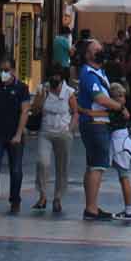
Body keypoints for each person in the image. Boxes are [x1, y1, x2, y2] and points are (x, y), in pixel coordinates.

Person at [76, 41, 119, 221]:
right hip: (95, 124)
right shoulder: (88, 73)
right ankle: (91, 209)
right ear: (87, 55)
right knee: (98, 166)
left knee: (92, 165)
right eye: (96, 50)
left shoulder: (98, 72)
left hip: (97, 122)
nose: (101, 52)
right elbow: (100, 98)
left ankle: (91, 206)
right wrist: (119, 106)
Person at [0, 55, 29, 214]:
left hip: (15, 135)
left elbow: (24, 112)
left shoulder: (22, 88)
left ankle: (15, 199)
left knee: (16, 170)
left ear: (13, 71)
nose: (4, 73)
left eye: (7, 70)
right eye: (1, 71)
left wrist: (18, 134)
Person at [31, 64, 78, 214]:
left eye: (57, 76)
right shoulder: (43, 89)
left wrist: (70, 129)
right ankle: (42, 195)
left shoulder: (69, 92)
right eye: (52, 76)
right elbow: (35, 109)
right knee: (42, 162)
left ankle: (58, 197)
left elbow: (75, 112)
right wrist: (42, 95)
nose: (54, 79)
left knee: (62, 166)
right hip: (45, 131)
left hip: (63, 132)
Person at [105, 82, 131, 219]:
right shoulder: (123, 110)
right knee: (123, 177)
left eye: (122, 96)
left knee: (124, 177)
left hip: (120, 146)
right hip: (123, 144)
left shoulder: (114, 111)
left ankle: (129, 209)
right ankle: (128, 209)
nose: (122, 98)